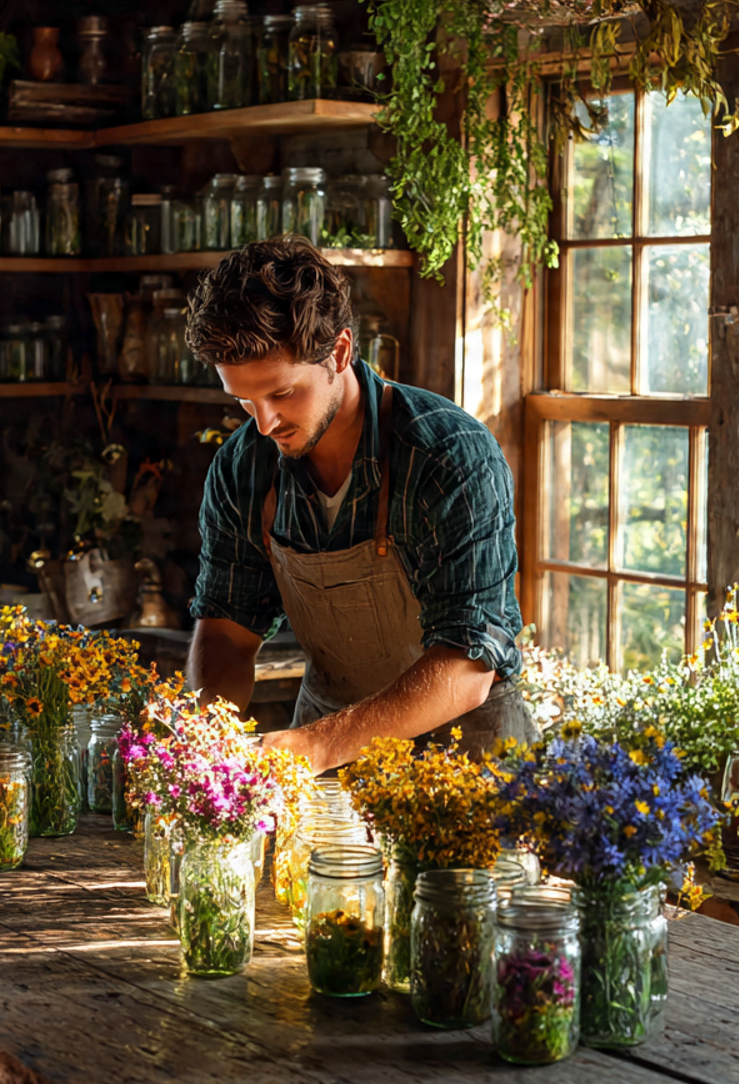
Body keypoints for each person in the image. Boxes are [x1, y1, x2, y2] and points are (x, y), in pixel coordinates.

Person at [184, 238, 534, 774]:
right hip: (330, 749)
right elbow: (229, 630)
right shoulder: (244, 467)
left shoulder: (448, 455)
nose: (264, 423)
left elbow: (468, 666)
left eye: (281, 394)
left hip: (467, 753)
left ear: (341, 352)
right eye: (242, 400)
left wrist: (317, 746)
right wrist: (203, 733)